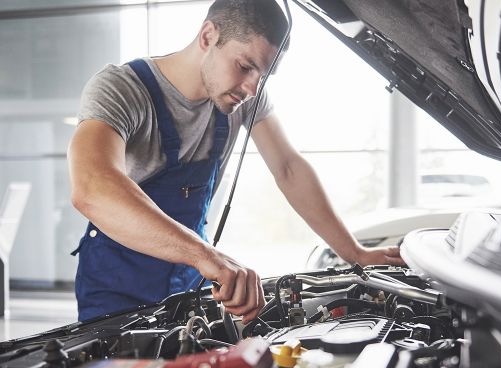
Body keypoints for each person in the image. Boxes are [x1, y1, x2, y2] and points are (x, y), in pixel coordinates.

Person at [68, 0, 404, 323]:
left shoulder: (241, 97)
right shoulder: (122, 89)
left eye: (263, 76)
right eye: (245, 67)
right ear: (208, 36)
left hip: (187, 283)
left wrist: (355, 253)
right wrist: (206, 256)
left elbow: (288, 168)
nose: (252, 90)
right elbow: (92, 187)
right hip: (116, 287)